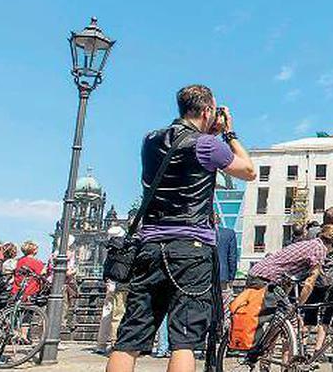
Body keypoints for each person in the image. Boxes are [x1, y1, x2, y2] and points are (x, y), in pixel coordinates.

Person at [108, 85, 256, 372]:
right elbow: (248, 171)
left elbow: (185, 155)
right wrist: (229, 134)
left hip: (149, 245)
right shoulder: (207, 145)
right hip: (190, 247)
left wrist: (209, 133)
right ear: (207, 111)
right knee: (183, 340)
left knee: (129, 338)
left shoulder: (150, 140)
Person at [302, 224, 333, 352]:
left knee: (308, 317)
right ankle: (318, 349)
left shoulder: (313, 238)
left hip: (315, 282)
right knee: (326, 319)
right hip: (331, 283)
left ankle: (303, 347)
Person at [97, 227, 130, 355]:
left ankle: (102, 343)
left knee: (108, 313)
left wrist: (106, 279)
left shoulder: (109, 247)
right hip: (122, 283)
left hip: (111, 282)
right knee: (120, 313)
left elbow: (106, 266)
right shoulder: (126, 246)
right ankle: (115, 343)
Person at [216, 215, 239, 301]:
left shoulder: (202, 233)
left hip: (203, 275)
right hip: (222, 275)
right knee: (222, 302)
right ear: (219, 221)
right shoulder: (229, 233)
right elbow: (232, 257)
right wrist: (231, 277)